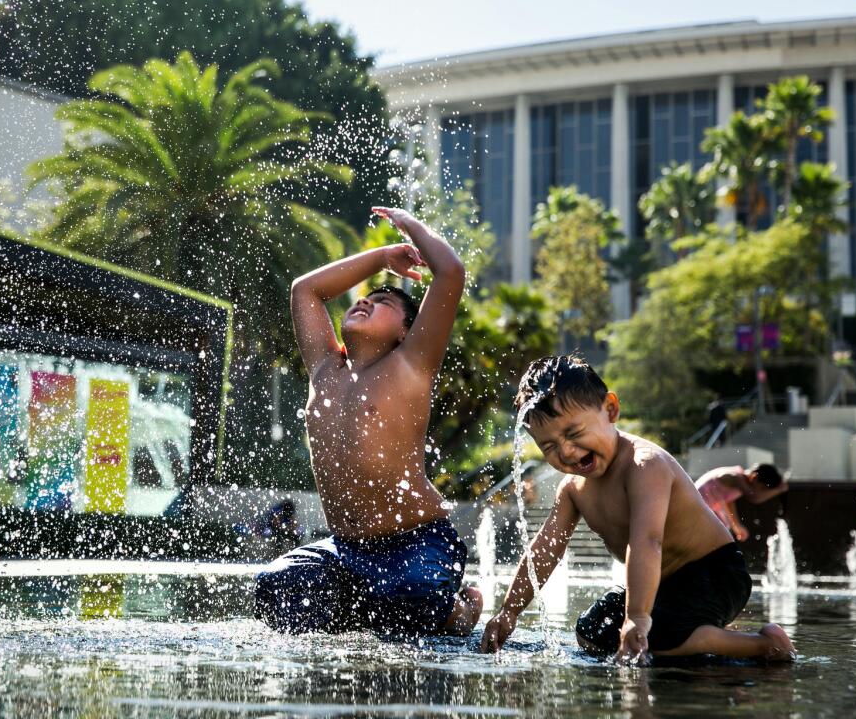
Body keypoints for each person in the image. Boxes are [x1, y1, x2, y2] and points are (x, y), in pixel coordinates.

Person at [254, 207, 481, 638]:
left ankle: (461, 611)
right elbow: (306, 291)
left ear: (405, 332)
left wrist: (409, 231)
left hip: (417, 541)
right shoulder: (324, 368)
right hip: (346, 548)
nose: (364, 301)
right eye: (365, 298)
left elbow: (449, 272)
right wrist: (379, 258)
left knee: (407, 608)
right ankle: (362, 604)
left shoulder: (411, 365)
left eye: (383, 303)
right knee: (278, 590)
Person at [479, 355, 795, 663]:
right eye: (548, 446)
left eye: (574, 433)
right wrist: (510, 610)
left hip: (714, 573)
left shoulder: (645, 466)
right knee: (593, 632)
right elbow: (544, 550)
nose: (566, 451)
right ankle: (703, 633)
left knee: (653, 637)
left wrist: (637, 616)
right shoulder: (573, 490)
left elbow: (647, 540)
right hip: (662, 585)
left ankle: (763, 644)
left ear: (611, 410)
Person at [695, 464, 788, 542]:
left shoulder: (738, 481)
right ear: (754, 477)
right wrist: (779, 490)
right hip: (696, 506)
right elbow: (754, 497)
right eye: (762, 489)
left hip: (702, 507)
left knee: (724, 530)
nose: (761, 493)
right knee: (720, 534)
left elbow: (729, 501)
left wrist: (736, 526)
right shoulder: (736, 478)